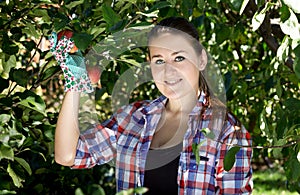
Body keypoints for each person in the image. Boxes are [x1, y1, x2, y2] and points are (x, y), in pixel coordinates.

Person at [51, 17, 253, 194]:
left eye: (179, 58)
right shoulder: (134, 118)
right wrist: (74, 81)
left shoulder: (226, 132)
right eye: (159, 61)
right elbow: (68, 155)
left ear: (201, 60)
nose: (169, 71)